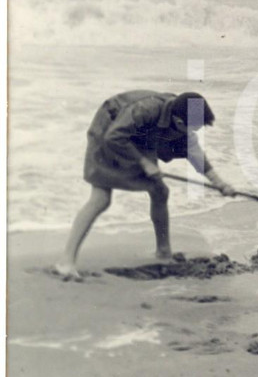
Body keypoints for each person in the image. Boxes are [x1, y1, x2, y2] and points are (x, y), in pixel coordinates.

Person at [56, 90, 237, 281]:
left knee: (159, 191)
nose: (193, 134)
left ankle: (163, 252)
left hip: (138, 138)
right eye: (192, 129)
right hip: (110, 130)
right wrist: (144, 162)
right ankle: (65, 262)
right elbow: (114, 137)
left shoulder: (180, 117)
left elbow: (194, 152)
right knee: (101, 198)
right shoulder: (146, 109)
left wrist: (220, 183)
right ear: (179, 122)